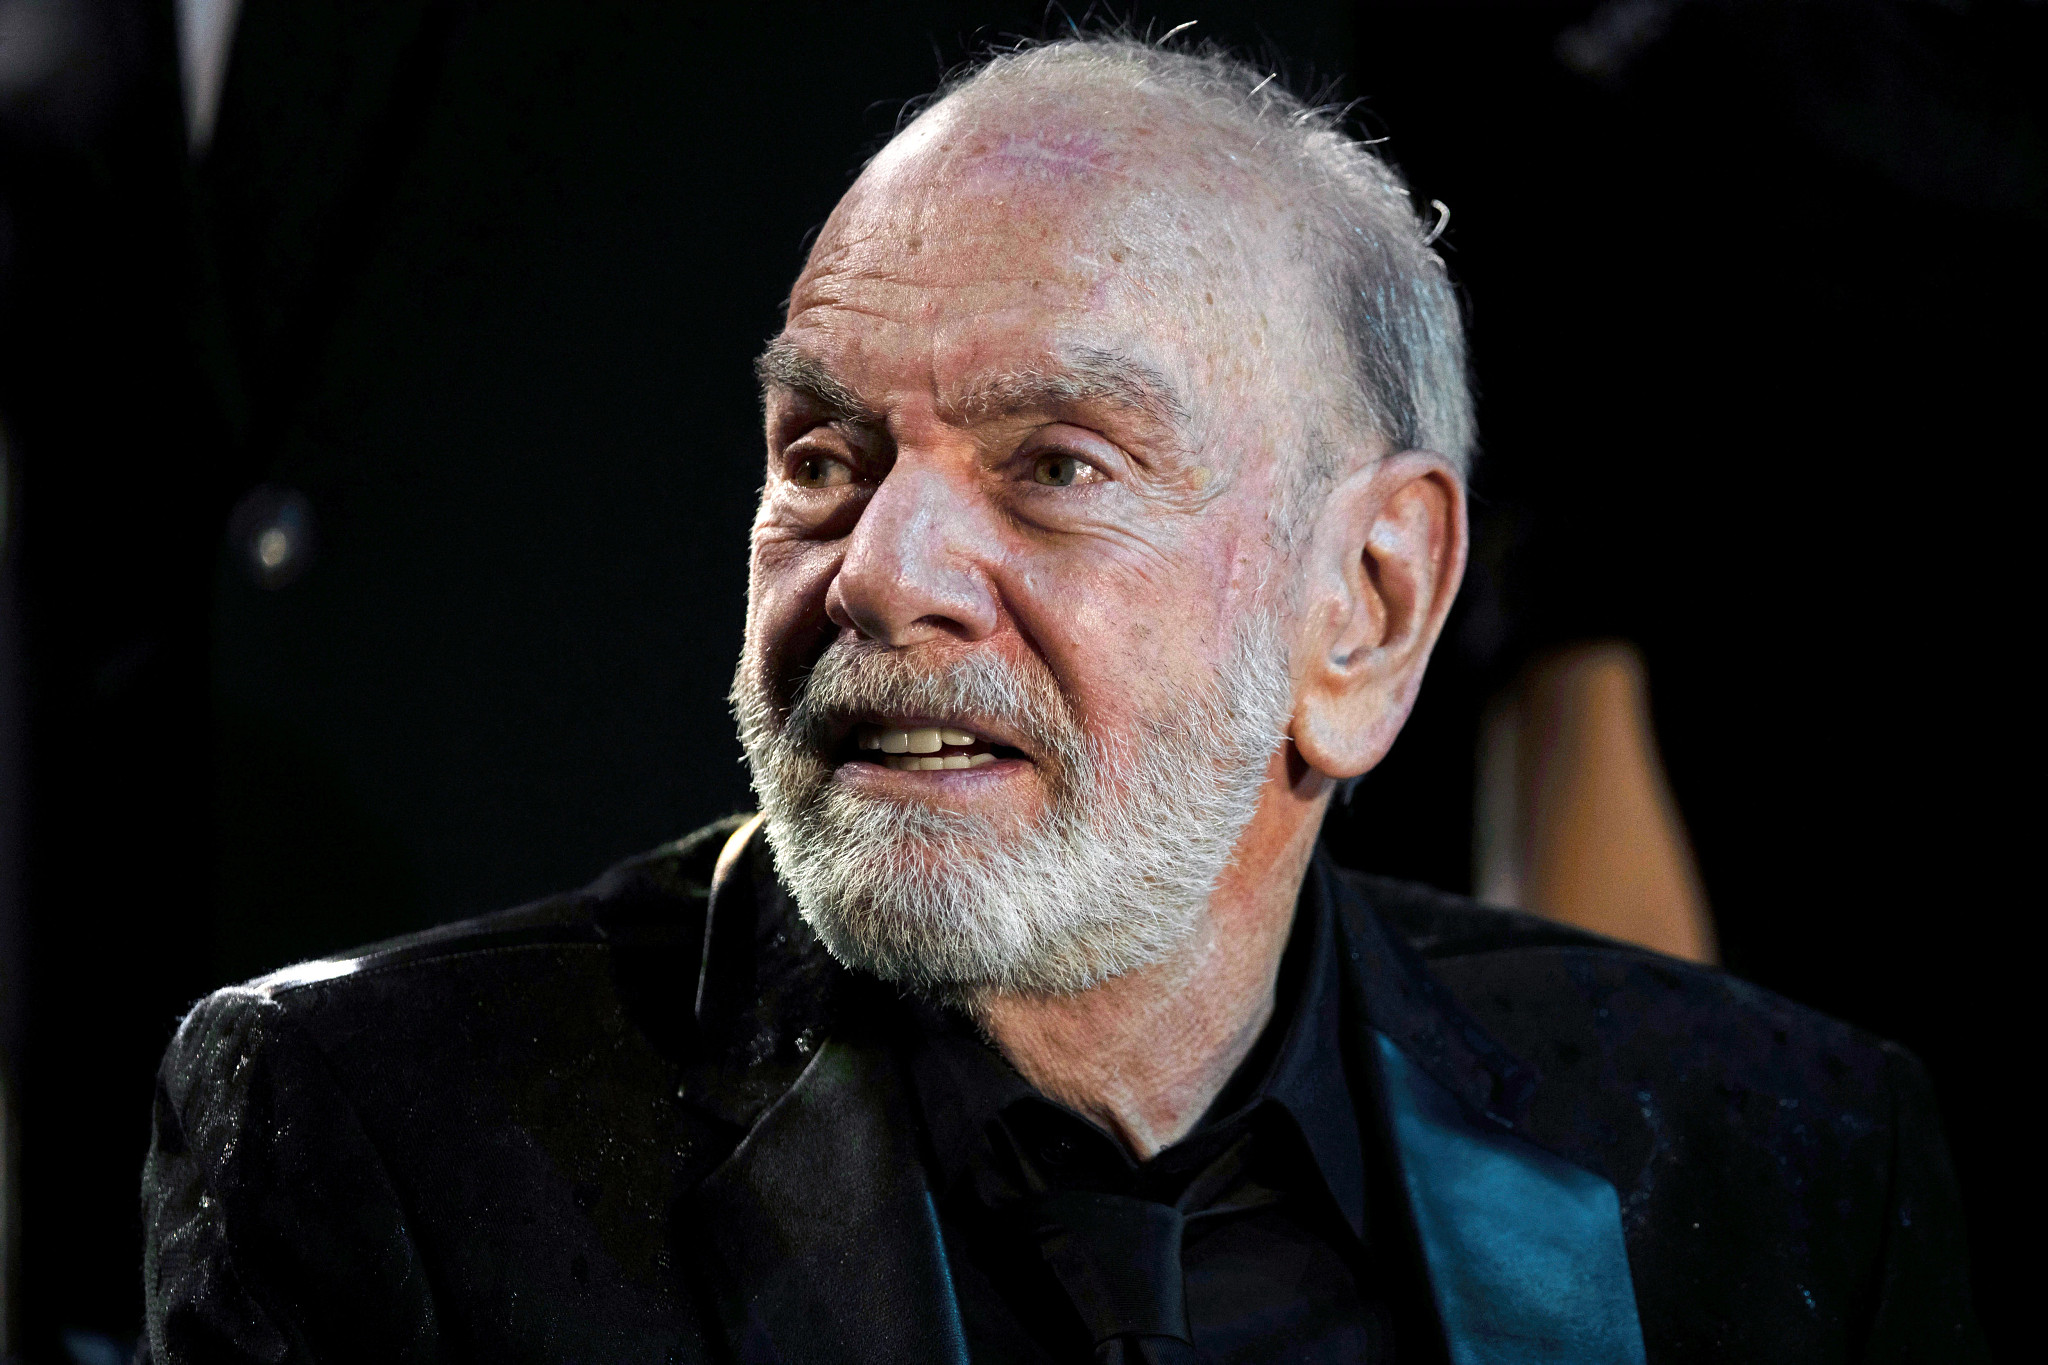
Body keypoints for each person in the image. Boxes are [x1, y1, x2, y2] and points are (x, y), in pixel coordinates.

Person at [138, 36, 1981, 1364]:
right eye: (823, 455)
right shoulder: (380, 1141)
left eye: (1057, 465)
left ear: (1368, 603)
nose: (880, 571)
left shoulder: (1782, 1164)